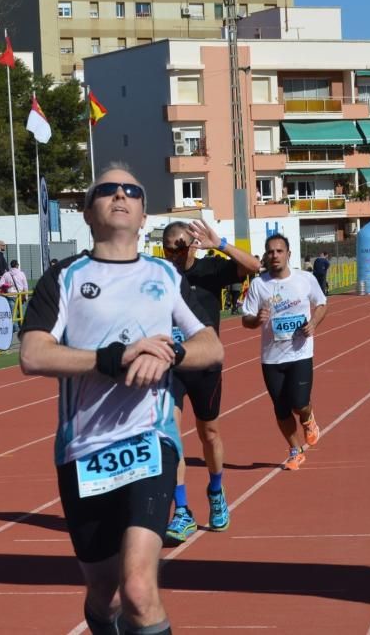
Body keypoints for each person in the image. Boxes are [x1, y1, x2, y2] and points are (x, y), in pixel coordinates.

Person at [19, 165, 223, 635]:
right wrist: (113, 358)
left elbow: (212, 346)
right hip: (83, 450)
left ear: (144, 213)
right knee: (106, 597)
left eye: (131, 190)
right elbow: (33, 354)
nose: (120, 195)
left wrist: (170, 353)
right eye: (106, 190)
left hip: (150, 441)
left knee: (138, 590)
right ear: (89, 214)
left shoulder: (165, 276)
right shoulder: (64, 278)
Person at [161, 220, 260, 543]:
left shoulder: (211, 270)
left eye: (178, 246)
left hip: (205, 367)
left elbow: (253, 266)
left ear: (191, 245)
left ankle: (216, 492)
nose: (173, 253)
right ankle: (182, 511)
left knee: (209, 433)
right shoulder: (159, 278)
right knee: (171, 435)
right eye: (167, 247)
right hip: (172, 367)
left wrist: (220, 243)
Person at [242, 234, 327, 471]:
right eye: (270, 252)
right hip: (271, 357)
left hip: (300, 353)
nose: (275, 256)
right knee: (280, 408)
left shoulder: (305, 279)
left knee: (299, 403)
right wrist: (256, 320)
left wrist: (314, 324)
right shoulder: (259, 285)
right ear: (266, 255)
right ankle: (295, 450)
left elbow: (321, 304)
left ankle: (308, 419)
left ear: (288, 254)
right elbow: (245, 319)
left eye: (279, 251)